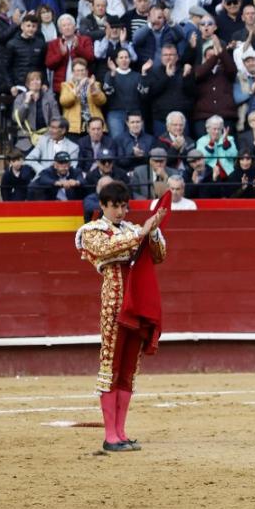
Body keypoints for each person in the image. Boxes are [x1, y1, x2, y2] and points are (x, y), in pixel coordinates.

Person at [74, 181, 168, 452]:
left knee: (128, 369)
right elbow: (107, 250)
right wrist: (143, 230)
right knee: (111, 368)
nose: (120, 212)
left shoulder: (132, 229)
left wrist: (153, 230)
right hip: (114, 305)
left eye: (124, 206)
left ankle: (121, 432)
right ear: (103, 205)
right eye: (115, 206)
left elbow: (159, 255)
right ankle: (109, 435)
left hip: (136, 303)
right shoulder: (91, 231)